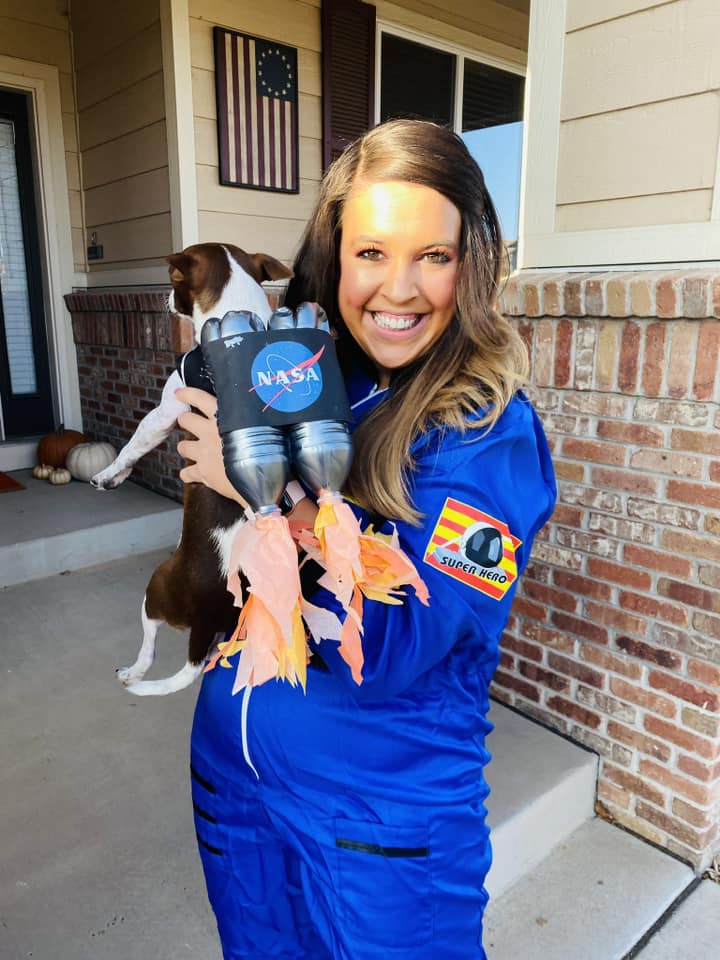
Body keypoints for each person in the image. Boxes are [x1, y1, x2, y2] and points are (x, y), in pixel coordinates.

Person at [175, 118, 556, 960]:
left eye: (436, 256)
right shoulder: (304, 374)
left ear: (473, 265)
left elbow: (392, 642)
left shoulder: (488, 434)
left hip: (380, 828)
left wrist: (268, 496)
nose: (402, 287)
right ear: (335, 257)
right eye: (373, 253)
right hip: (236, 788)